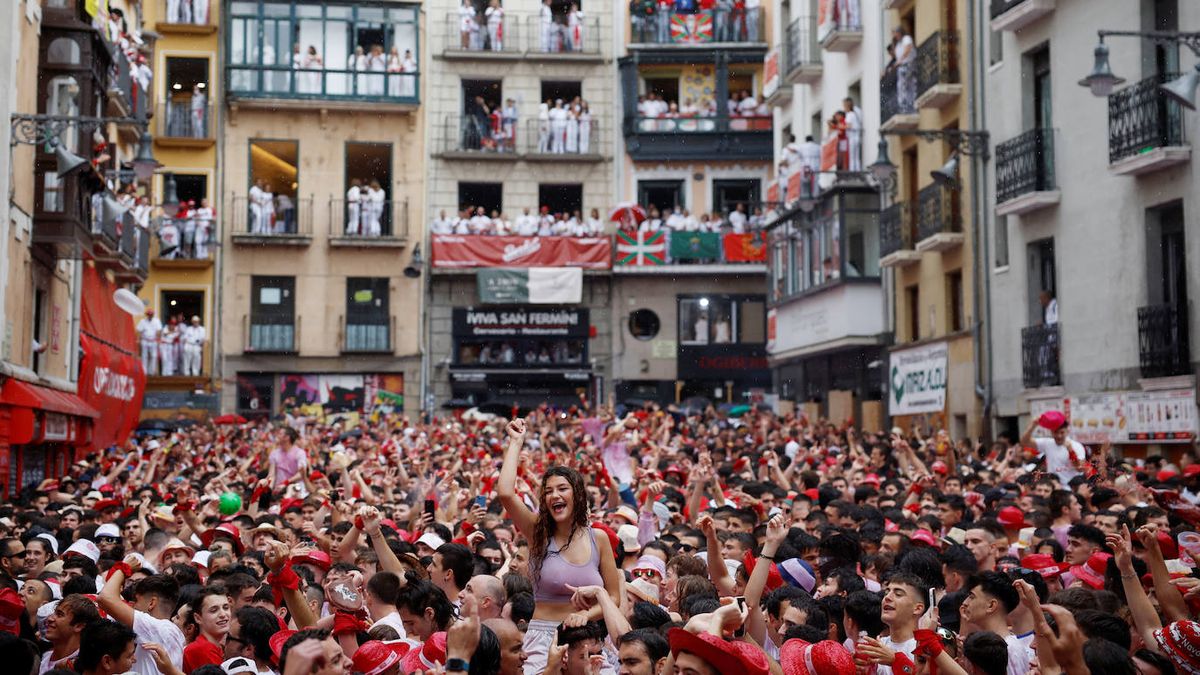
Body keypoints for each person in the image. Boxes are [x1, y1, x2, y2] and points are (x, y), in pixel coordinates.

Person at [498, 419, 622, 675]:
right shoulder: (538, 533)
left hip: (590, 640)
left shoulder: (598, 538)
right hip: (544, 638)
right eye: (548, 491)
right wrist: (515, 442)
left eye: (562, 489)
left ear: (577, 494)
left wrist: (587, 616)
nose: (555, 495)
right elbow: (506, 494)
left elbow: (614, 597)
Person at [137, 308, 162, 376]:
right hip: (145, 340)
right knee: (144, 356)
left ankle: (151, 371)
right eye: (149, 314)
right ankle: (144, 371)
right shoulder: (142, 321)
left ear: (153, 315)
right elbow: (139, 331)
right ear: (147, 315)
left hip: (153, 341)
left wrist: (158, 339)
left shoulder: (156, 321)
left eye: (151, 314)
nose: (150, 315)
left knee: (153, 356)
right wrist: (138, 339)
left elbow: (159, 331)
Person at [842, 97, 863, 171]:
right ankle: (857, 170)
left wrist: (841, 126)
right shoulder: (856, 113)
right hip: (857, 136)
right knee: (856, 156)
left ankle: (852, 171)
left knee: (852, 157)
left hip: (852, 137)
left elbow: (849, 125)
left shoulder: (849, 114)